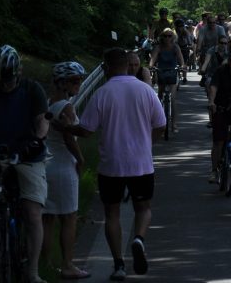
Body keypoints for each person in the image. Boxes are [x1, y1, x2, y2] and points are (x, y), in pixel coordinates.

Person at [70, 48, 166, 281]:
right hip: (141, 164)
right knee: (143, 209)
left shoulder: (102, 93)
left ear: (106, 67)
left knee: (111, 214)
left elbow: (86, 129)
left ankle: (119, 264)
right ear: (128, 65)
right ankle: (138, 239)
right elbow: (161, 124)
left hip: (111, 165)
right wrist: (147, 145)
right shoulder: (145, 90)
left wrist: (65, 127)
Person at [0, 45, 51, 283]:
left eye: (9, 79)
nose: (5, 85)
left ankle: (32, 271)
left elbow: (42, 121)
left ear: (19, 72)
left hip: (27, 154)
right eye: (0, 80)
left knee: (33, 211)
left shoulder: (31, 89)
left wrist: (37, 140)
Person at [42, 62, 89, 280]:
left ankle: (44, 263)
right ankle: (68, 264)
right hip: (63, 165)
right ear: (63, 84)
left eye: (79, 80)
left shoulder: (47, 103)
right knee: (69, 218)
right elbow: (69, 136)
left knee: (47, 219)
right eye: (75, 81)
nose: (78, 84)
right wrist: (80, 159)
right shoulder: (66, 107)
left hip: (46, 165)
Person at [207, 43, 231, 184]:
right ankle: (214, 170)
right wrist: (212, 102)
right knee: (218, 141)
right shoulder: (221, 71)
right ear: (228, 60)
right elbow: (214, 87)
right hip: (221, 106)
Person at [148, 28, 185, 133]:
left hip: (173, 72)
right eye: (165, 36)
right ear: (161, 37)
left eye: (169, 36)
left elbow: (181, 60)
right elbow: (153, 60)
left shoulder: (175, 47)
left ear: (173, 37)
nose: (167, 38)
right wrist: (151, 66)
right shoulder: (158, 48)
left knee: (173, 98)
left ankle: (174, 124)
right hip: (161, 72)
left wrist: (182, 66)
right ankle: (156, 121)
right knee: (159, 96)